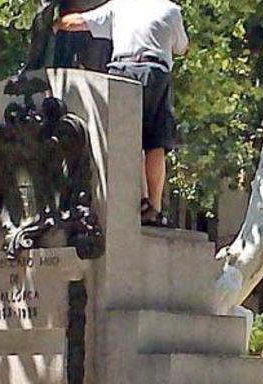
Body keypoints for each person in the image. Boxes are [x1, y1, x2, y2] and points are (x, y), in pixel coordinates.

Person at [54, 0, 189, 227]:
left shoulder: (120, 6)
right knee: (155, 143)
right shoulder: (171, 10)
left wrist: (55, 23)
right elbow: (182, 47)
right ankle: (153, 208)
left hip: (121, 71)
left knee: (129, 138)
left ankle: (141, 198)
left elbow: (78, 21)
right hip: (154, 72)